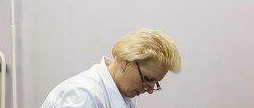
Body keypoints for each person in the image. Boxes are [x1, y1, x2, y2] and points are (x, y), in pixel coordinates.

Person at [40, 28, 181, 108]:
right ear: (126, 61)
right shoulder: (83, 96)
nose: (149, 91)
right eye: (148, 79)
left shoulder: (125, 96)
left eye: (155, 83)